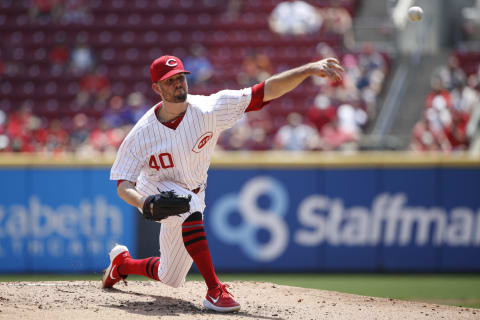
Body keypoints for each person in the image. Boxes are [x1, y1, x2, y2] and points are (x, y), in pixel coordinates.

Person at [104, 55, 343, 313]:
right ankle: (214, 290)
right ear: (157, 88)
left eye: (181, 78)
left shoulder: (209, 109)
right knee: (187, 205)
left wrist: (307, 69)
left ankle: (122, 264)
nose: (178, 84)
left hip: (195, 192)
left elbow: (264, 92)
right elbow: (122, 182)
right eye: (170, 81)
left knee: (170, 276)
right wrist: (142, 201)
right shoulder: (142, 133)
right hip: (154, 191)